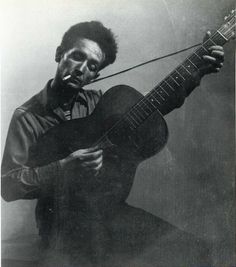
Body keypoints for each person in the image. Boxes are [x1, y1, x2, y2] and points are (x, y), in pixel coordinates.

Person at [1, 21, 224, 267]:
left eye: (91, 66)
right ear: (59, 54)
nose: (80, 69)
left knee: (197, 251)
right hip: (61, 226)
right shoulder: (27, 116)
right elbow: (7, 186)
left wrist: (197, 71)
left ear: (95, 75)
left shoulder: (99, 102)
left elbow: (150, 111)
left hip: (108, 210)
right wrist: (63, 167)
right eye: (77, 56)